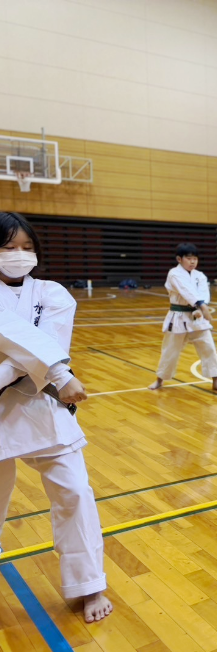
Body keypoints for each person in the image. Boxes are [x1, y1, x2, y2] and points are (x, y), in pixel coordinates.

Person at [0, 212, 111, 623]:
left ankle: (88, 584)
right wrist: (57, 371)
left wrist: (45, 370)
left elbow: (45, 344)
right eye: (9, 246)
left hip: (40, 406)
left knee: (75, 492)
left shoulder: (52, 292)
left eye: (27, 247)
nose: (19, 254)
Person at [149, 243, 217, 393]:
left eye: (195, 259)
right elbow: (186, 290)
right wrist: (202, 307)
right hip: (178, 317)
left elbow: (204, 294)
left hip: (197, 316)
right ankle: (160, 379)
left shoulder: (200, 276)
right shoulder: (174, 274)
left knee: (208, 348)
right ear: (179, 259)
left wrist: (201, 306)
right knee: (170, 350)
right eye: (189, 258)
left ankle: (215, 381)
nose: (192, 262)